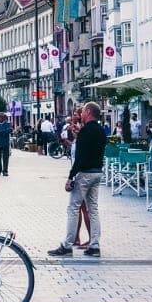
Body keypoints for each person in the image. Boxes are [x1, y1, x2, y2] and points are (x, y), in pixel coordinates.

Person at [48, 102, 105, 258]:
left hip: (84, 173)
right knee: (93, 209)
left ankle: (67, 245)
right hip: (97, 172)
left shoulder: (86, 130)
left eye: (83, 111)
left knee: (73, 208)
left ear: (88, 112)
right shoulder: (100, 130)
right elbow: (93, 148)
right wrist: (80, 136)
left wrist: (71, 176)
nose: (81, 114)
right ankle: (94, 245)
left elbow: (80, 156)